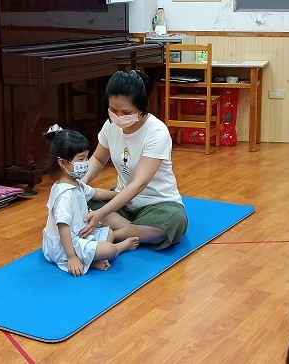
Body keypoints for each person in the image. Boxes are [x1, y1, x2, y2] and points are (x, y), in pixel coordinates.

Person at [79, 70, 188, 250]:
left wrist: (101, 213)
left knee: (172, 223)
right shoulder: (110, 126)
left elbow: (139, 184)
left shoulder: (156, 132)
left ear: (142, 106)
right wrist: (79, 183)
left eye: (126, 112)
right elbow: (98, 159)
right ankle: (130, 231)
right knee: (81, 199)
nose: (118, 117)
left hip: (157, 204)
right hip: (122, 201)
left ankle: (110, 234)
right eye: (113, 110)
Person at [42, 125, 140, 276]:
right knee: (109, 249)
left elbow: (96, 193)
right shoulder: (64, 195)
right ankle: (120, 247)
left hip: (79, 235)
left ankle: (91, 260)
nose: (86, 163)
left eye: (87, 157)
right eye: (81, 159)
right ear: (62, 163)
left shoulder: (76, 183)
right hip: (64, 247)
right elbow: (63, 227)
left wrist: (121, 195)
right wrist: (71, 257)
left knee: (109, 233)